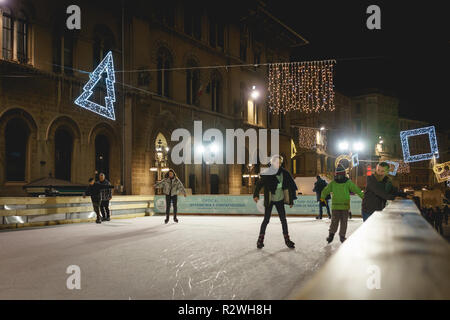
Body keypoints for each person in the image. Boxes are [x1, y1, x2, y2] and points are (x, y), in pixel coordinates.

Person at [253, 155, 298, 249]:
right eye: (276, 162)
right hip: (270, 199)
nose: (278, 164)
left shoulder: (284, 173)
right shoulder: (267, 173)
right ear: (272, 163)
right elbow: (259, 184)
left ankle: (287, 240)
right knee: (266, 220)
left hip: (280, 199)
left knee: (283, 220)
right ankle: (260, 240)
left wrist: (291, 200)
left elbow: (290, 186)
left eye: (280, 162)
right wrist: (256, 195)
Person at [320, 165, 364, 243]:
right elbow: (357, 190)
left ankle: (332, 235)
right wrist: (363, 196)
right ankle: (341, 236)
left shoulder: (334, 183)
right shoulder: (347, 182)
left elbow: (325, 191)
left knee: (335, 221)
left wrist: (322, 197)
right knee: (343, 222)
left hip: (337, 206)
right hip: (344, 206)